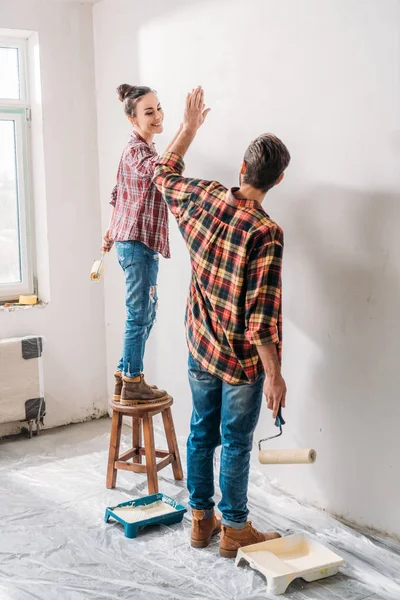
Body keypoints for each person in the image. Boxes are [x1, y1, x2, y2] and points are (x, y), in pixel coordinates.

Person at [154, 87, 290, 557]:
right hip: (239, 362)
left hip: (200, 346)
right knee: (233, 442)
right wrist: (274, 375)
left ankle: (199, 520)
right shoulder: (266, 233)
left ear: (242, 169)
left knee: (200, 431)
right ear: (279, 180)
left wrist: (188, 129)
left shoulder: (207, 198)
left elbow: (163, 172)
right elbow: (261, 318)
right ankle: (233, 529)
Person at [102, 84, 181, 406]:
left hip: (134, 243)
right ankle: (133, 379)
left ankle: (125, 374)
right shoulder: (137, 151)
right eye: (149, 112)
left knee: (147, 311)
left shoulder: (143, 150)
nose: (158, 115)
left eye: (159, 108)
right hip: (136, 244)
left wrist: (109, 232)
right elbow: (162, 174)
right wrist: (188, 130)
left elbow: (119, 194)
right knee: (139, 315)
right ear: (133, 119)